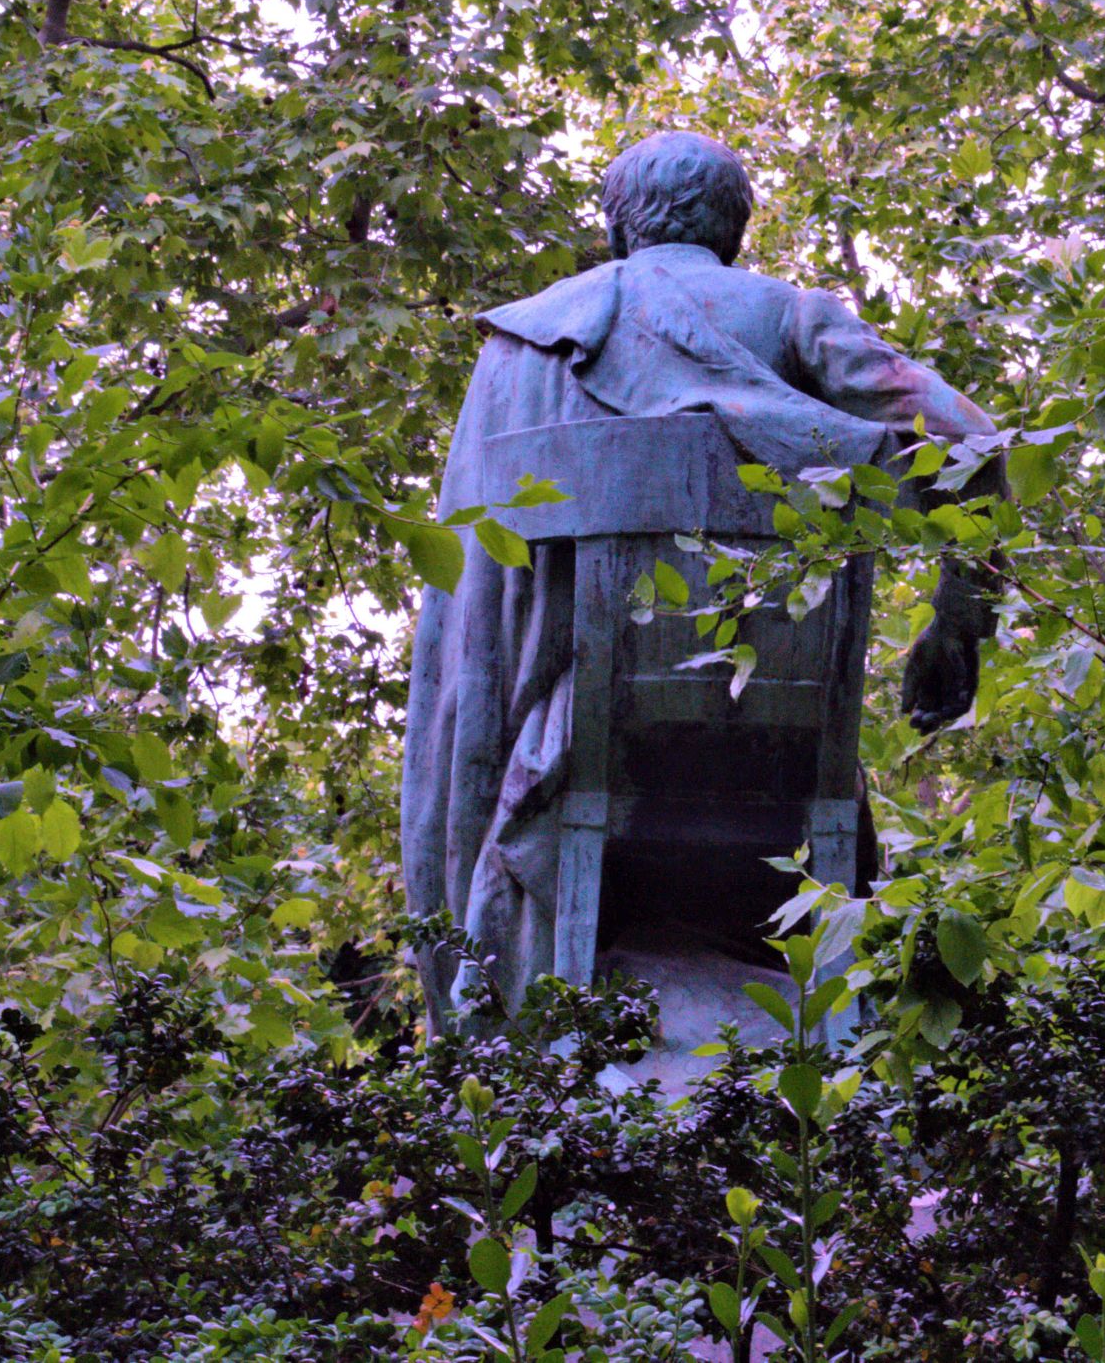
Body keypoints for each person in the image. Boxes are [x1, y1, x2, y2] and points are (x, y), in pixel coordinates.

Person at [400, 130, 1006, 1025]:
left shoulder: (525, 345)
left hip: (568, 736)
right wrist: (957, 623)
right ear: (734, 234)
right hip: (783, 737)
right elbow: (974, 443)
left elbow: (472, 622)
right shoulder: (795, 319)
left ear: (618, 231)